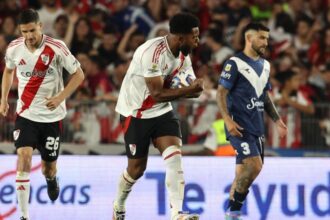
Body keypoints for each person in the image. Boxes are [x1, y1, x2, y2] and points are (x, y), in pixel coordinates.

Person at [113, 12, 203, 220]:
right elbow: (158, 93)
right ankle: (119, 203)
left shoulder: (183, 54)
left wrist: (191, 89)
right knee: (136, 170)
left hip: (162, 112)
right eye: (194, 36)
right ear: (181, 37)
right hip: (135, 113)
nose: (198, 40)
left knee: (174, 158)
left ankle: (177, 213)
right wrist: (189, 90)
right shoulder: (152, 53)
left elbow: (193, 88)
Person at [0, 9, 84, 220]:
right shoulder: (14, 48)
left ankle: (51, 179)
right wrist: (3, 99)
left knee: (49, 168)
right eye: (24, 31)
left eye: (32, 30)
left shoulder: (57, 48)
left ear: (41, 27)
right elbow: (9, 71)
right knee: (24, 158)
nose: (29, 36)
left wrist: (60, 97)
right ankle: (24, 216)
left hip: (51, 118)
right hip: (26, 115)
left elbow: (79, 74)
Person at [216, 22, 287, 219]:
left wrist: (277, 119)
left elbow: (264, 95)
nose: (266, 42)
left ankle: (231, 215)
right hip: (239, 126)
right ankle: (234, 211)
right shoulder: (234, 63)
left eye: (267, 38)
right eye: (262, 37)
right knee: (254, 165)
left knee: (243, 174)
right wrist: (227, 121)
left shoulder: (265, 65)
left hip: (257, 127)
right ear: (249, 38)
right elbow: (220, 93)